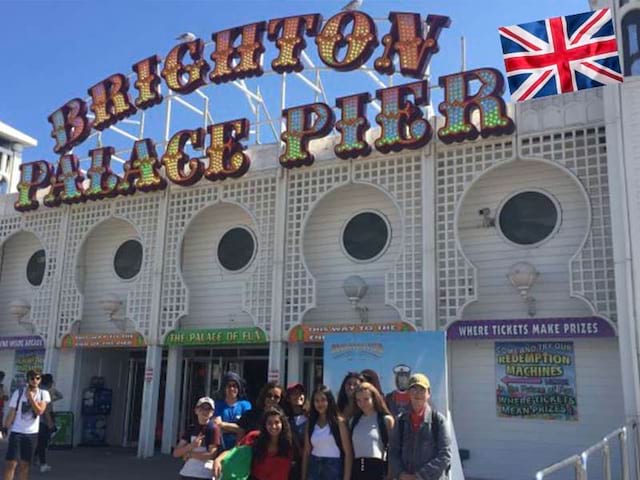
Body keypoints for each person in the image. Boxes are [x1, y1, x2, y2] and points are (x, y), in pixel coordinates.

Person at [388, 374, 452, 480]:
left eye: (422, 389)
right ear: (408, 393)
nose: (417, 394)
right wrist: (401, 474)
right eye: (414, 389)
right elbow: (393, 452)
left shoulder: (438, 421)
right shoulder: (400, 421)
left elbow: (445, 455)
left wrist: (419, 476)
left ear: (429, 393)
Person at [213, 406, 294, 480]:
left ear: (283, 423)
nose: (273, 426)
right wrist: (218, 460)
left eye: (277, 422)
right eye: (269, 423)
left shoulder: (288, 445)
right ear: (264, 425)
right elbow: (233, 452)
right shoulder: (254, 438)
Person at [3, 370, 50, 480]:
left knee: (25, 465)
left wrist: (30, 398)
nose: (35, 381)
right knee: (11, 463)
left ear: (40, 379)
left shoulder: (43, 394)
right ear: (28, 379)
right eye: (32, 378)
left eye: (37, 378)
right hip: (17, 432)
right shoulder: (18, 393)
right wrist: (5, 427)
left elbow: (39, 411)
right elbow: (12, 412)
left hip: (31, 434)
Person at [302, 385, 352, 480]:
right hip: (314, 467)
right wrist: (303, 476)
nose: (320, 404)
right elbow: (306, 451)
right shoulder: (311, 422)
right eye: (316, 400)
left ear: (329, 401)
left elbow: (348, 453)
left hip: (333, 467)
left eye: (323, 400)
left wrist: (346, 478)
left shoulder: (339, 423)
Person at [350, 382, 394, 480]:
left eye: (366, 399)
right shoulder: (353, 421)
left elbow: (392, 450)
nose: (362, 403)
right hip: (357, 470)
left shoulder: (386, 420)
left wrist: (390, 475)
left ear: (374, 398)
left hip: (377, 469)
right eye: (358, 400)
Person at [173, 396, 221, 480]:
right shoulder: (191, 428)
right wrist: (191, 446)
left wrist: (189, 454)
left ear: (212, 412)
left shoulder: (213, 429)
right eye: (202, 408)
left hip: (205, 474)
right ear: (196, 410)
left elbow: (211, 455)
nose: (205, 411)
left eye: (208, 409)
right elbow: (176, 453)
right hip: (187, 473)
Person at [214, 372, 252, 450]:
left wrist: (223, 425)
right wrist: (237, 429)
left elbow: (245, 428)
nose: (232, 389)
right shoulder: (217, 405)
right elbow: (217, 425)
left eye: (234, 386)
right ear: (224, 388)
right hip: (221, 447)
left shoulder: (245, 405)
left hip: (240, 448)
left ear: (239, 388)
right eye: (229, 386)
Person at [283, 383, 309, 480]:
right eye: (294, 394)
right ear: (288, 398)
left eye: (300, 393)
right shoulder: (284, 419)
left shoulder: (311, 417)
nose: (298, 396)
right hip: (290, 463)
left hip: (309, 462)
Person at [34, 374, 58, 473]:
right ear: (49, 382)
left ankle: (35, 458)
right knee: (42, 443)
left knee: (39, 442)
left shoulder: (36, 390)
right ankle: (42, 464)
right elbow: (46, 411)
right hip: (42, 422)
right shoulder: (46, 393)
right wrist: (50, 424)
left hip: (33, 421)